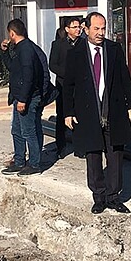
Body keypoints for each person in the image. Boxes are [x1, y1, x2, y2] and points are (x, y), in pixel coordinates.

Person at [63, 11, 131, 214]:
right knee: (93, 156)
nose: (100, 33)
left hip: (113, 110)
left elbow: (125, 79)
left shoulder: (113, 50)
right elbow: (68, 85)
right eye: (96, 28)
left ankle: (113, 196)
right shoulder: (75, 53)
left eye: (103, 28)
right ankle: (99, 197)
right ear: (85, 29)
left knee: (115, 155)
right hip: (88, 113)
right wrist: (68, 112)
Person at [0, 18, 46, 176]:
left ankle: (34, 163)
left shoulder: (26, 49)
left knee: (28, 131)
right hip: (18, 96)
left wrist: (23, 99)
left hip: (27, 98)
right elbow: (13, 68)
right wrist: (4, 53)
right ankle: (19, 161)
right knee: (16, 131)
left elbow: (28, 76)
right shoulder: (20, 49)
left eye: (9, 34)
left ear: (12, 33)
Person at [48, 17, 82, 157]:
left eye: (79, 26)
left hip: (80, 86)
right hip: (63, 86)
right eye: (74, 27)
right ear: (67, 29)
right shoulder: (58, 45)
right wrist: (67, 74)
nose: (78, 29)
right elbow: (53, 65)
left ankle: (80, 148)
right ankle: (60, 147)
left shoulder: (83, 44)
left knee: (79, 116)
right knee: (62, 116)